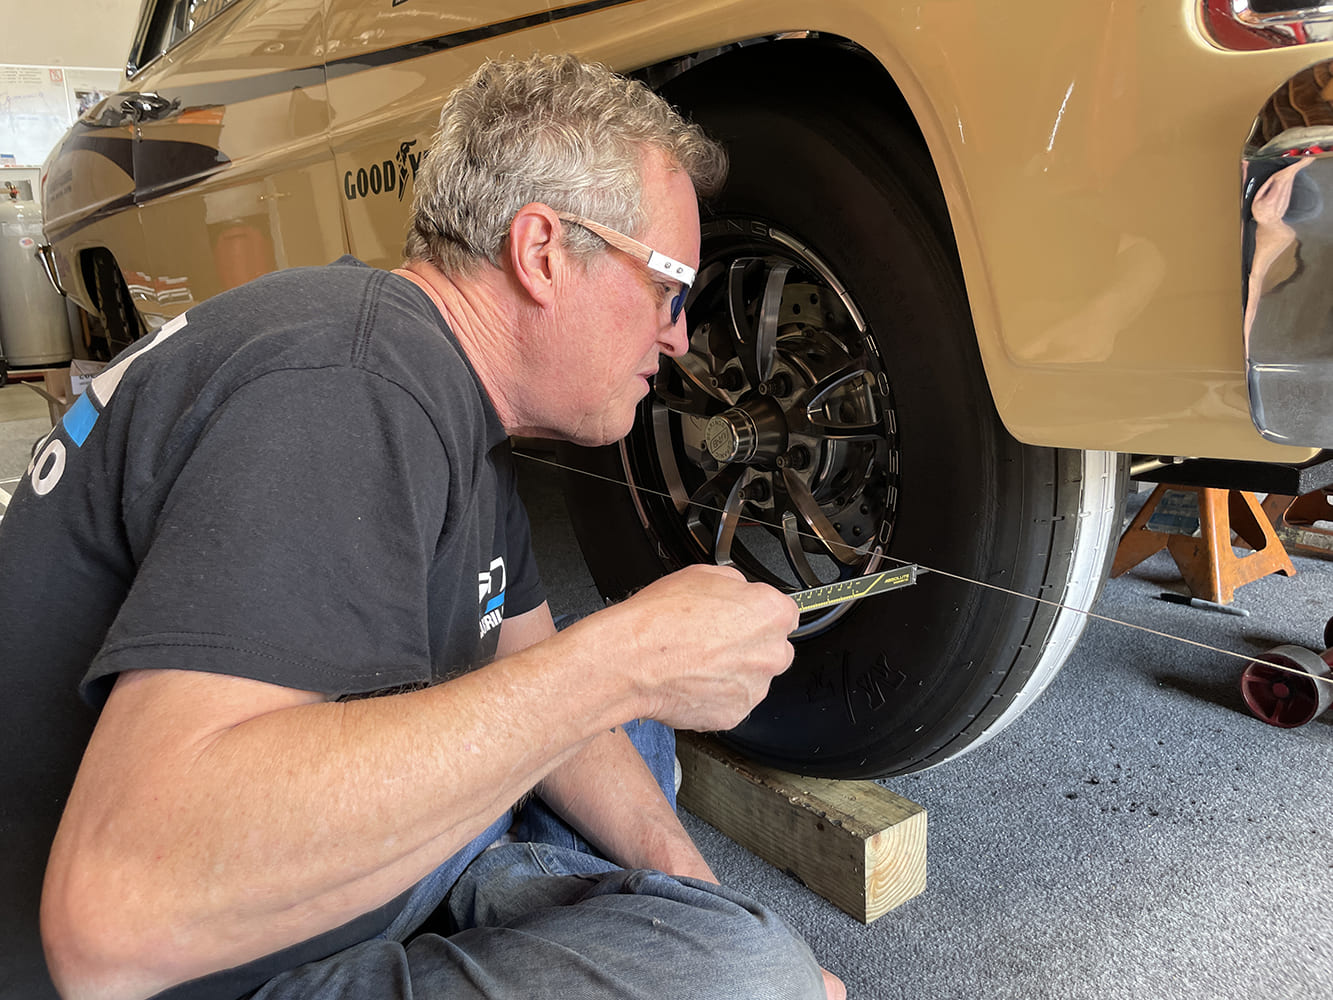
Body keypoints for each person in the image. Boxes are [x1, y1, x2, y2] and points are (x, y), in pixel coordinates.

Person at [0, 54, 845, 1000]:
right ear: (541, 252)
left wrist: (700, 901)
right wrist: (624, 661)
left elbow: (526, 657)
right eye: (669, 288)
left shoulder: (440, 390)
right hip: (206, 958)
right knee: (740, 973)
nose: (678, 335)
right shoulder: (348, 388)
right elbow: (112, 923)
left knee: (620, 725)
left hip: (326, 875)